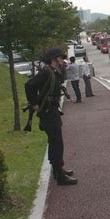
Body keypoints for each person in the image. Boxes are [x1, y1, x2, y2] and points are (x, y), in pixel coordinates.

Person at [25, 48, 78, 186]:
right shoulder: (46, 72)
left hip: (52, 110)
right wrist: (34, 103)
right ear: (54, 59)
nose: (62, 60)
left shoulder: (53, 71)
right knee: (56, 142)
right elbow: (29, 85)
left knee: (56, 141)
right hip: (48, 112)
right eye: (60, 58)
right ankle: (59, 175)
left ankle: (58, 170)